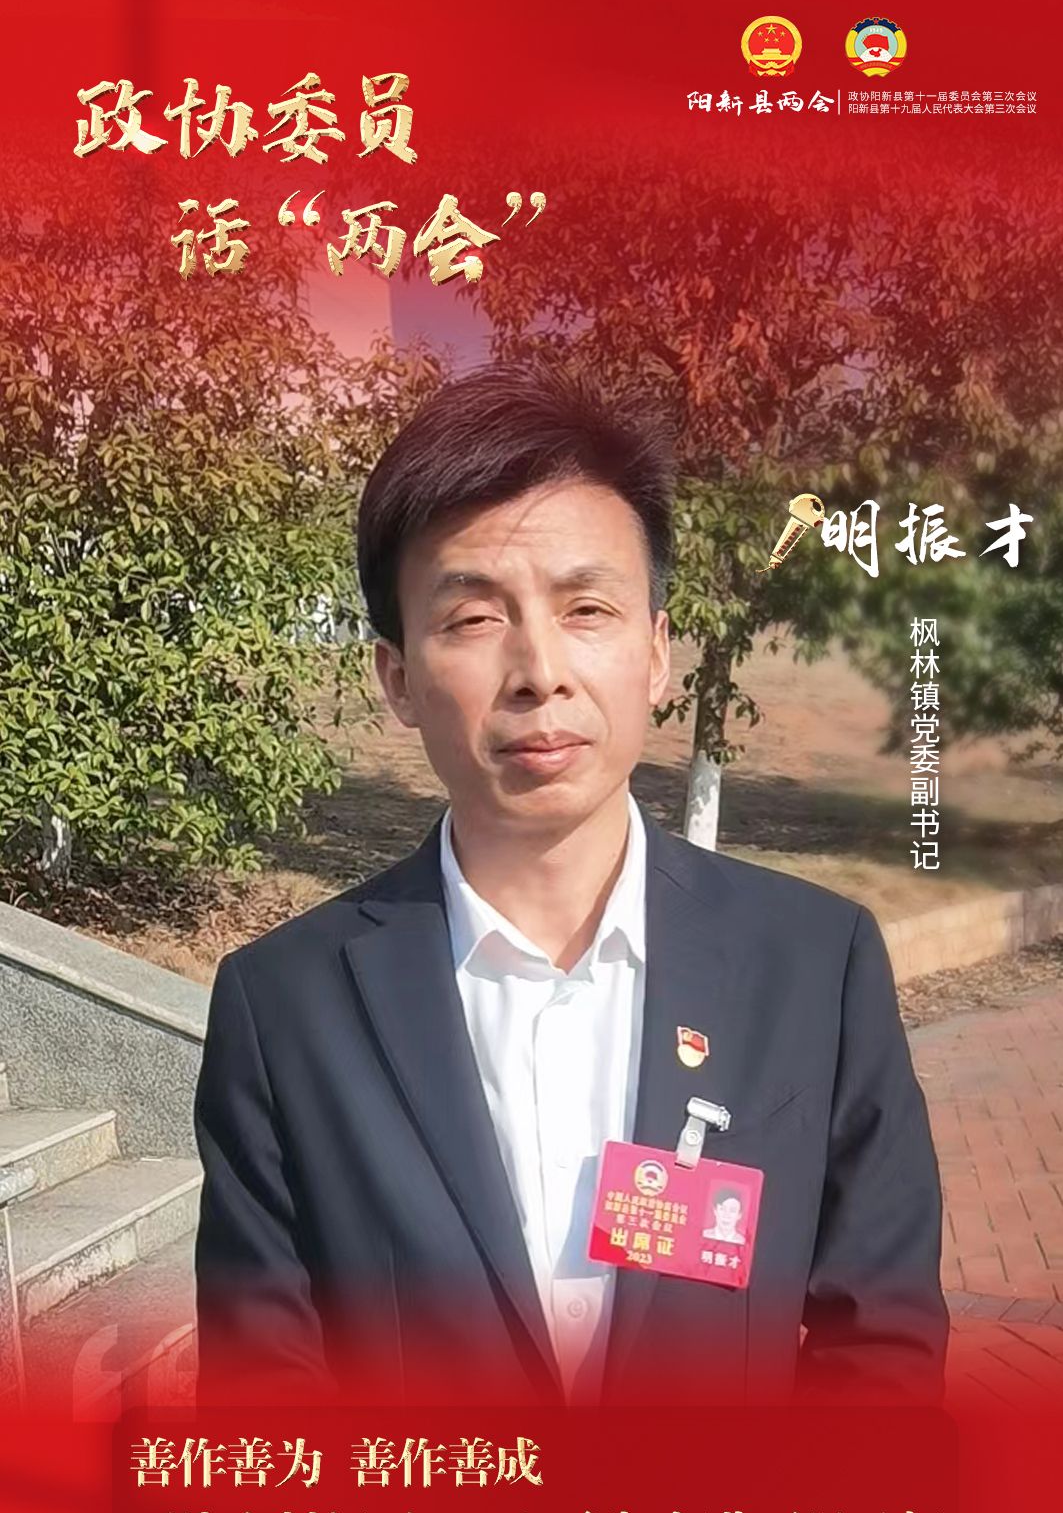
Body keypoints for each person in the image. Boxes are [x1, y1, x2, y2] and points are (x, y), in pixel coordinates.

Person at [193, 361, 948, 1408]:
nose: (538, 671)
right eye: (472, 618)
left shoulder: (812, 966)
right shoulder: (286, 1008)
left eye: (586, 607)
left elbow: (881, 1354)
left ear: (656, 653)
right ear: (397, 677)